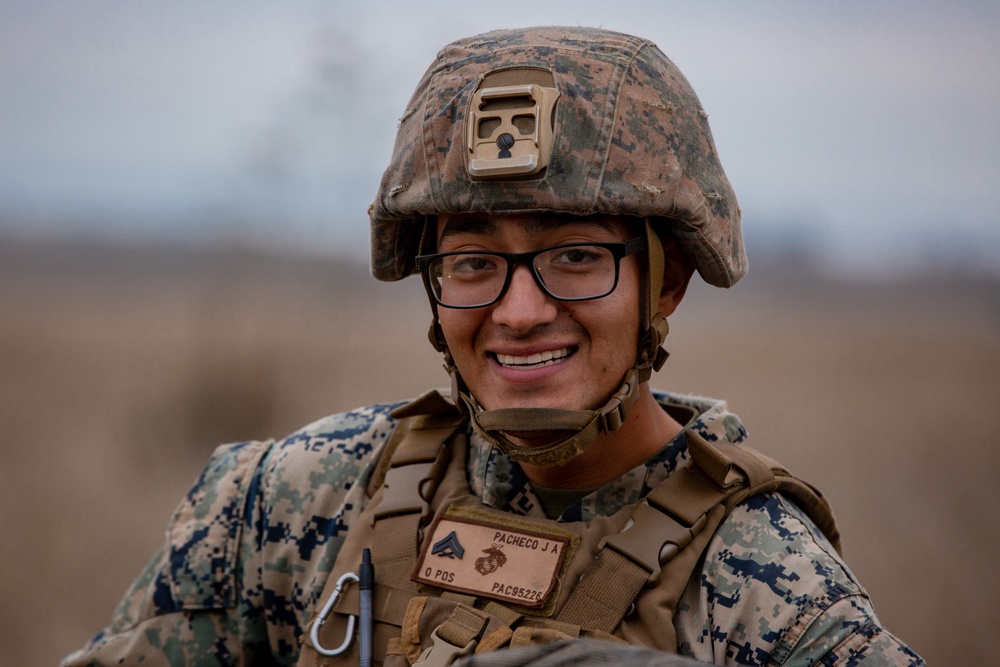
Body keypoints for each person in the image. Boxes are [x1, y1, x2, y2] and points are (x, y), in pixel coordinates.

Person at [63, 26, 924, 667]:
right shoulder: (288, 505)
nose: (517, 311)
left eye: (576, 255)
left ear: (666, 285)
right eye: (474, 261)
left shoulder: (770, 593)